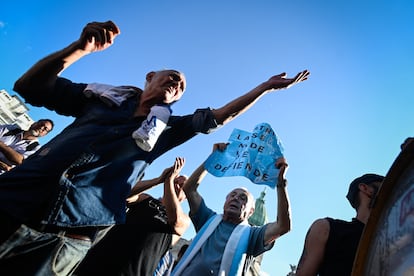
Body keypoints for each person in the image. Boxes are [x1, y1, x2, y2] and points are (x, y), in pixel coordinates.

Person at [0, 20, 309, 275]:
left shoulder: (167, 129)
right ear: (150, 77)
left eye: (181, 88)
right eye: (172, 78)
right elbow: (29, 87)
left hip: (66, 235)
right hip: (13, 199)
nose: (176, 85)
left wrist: (264, 88)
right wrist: (80, 49)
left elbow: (220, 116)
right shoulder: (101, 98)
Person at [172, 143, 291, 276]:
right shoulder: (207, 219)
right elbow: (189, 188)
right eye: (232, 195)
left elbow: (283, 226)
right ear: (225, 201)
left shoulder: (252, 236)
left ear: (251, 212)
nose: (236, 199)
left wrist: (281, 183)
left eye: (243, 198)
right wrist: (213, 159)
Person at [74, 157, 190, 276]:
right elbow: (125, 194)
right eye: (177, 182)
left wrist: (170, 181)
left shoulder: (184, 219)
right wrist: (158, 180)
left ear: (186, 197)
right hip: (98, 264)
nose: (177, 186)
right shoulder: (146, 199)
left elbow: (175, 221)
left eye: (182, 186)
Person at [295, 173, 384, 276]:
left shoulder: (395, 234)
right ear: (365, 188)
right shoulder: (327, 229)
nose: (390, 188)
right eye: (383, 184)